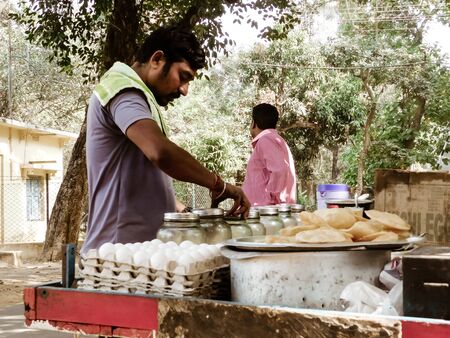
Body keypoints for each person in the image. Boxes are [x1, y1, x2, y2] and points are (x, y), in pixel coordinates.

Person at [81, 26, 249, 253]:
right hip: (117, 256)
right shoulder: (122, 89)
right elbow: (160, 152)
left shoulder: (139, 97)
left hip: (139, 255)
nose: (185, 90)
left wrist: (178, 209)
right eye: (183, 77)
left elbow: (142, 174)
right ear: (157, 59)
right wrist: (219, 185)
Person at [242, 103, 297, 206]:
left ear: (254, 123)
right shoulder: (275, 139)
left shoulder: (266, 140)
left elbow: (280, 169)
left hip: (266, 214)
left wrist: (271, 203)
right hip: (267, 212)